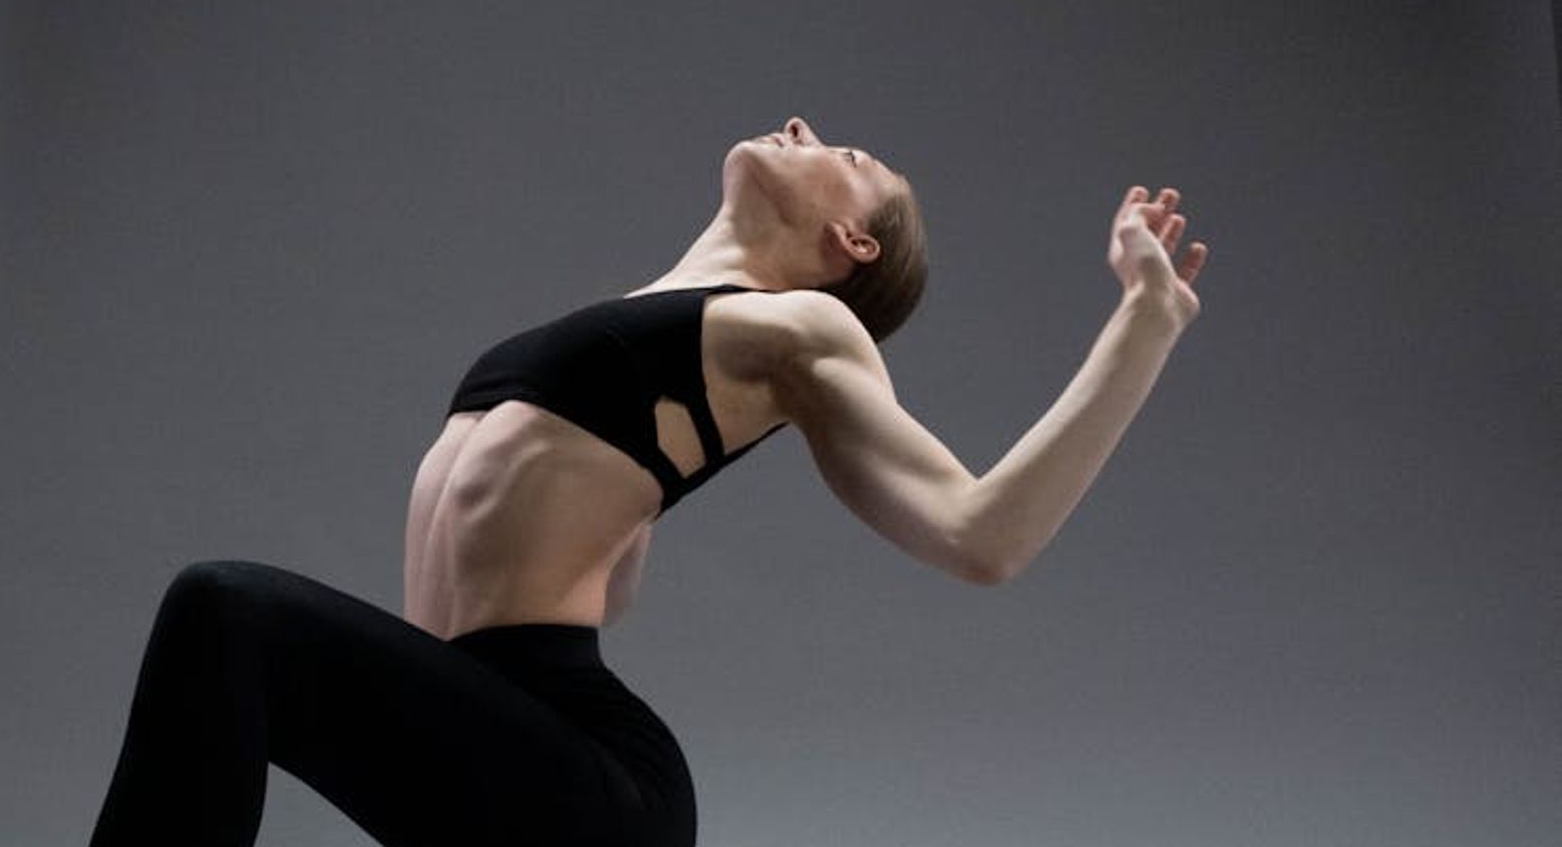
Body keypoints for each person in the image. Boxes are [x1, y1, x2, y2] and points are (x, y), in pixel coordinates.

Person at [88, 115, 1210, 847]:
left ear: (848, 243)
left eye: (853, 160)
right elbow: (596, 561)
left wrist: (1144, 321)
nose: (811, 127)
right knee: (230, 633)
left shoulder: (801, 326)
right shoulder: (654, 326)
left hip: (577, 768)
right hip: (491, 733)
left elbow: (983, 533)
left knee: (224, 613)